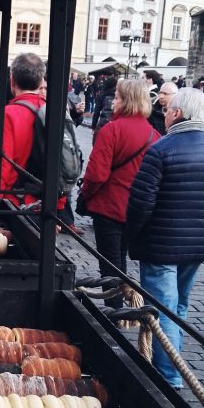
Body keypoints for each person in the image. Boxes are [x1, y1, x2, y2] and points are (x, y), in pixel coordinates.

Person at [126, 88, 204, 388]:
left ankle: (169, 378)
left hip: (160, 246)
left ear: (178, 114)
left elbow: (141, 203)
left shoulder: (162, 149)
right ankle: (172, 364)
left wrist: (132, 236)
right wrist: (203, 227)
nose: (165, 113)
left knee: (163, 311)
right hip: (195, 248)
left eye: (168, 109)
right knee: (178, 307)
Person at [79, 79, 159, 307]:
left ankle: (114, 316)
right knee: (120, 261)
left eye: (116, 97)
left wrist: (87, 195)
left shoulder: (111, 130)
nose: (113, 101)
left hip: (110, 207)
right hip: (136, 212)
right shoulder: (155, 136)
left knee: (110, 265)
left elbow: (96, 175)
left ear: (126, 101)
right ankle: (121, 311)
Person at [0, 52, 47, 203]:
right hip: (46, 199)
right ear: (40, 82)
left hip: (16, 200)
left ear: (12, 81)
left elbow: (1, 164)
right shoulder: (51, 110)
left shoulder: (9, 113)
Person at [91, 70, 117, 142]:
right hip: (115, 123)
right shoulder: (118, 95)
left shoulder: (102, 95)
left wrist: (93, 127)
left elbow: (96, 112)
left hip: (103, 122)